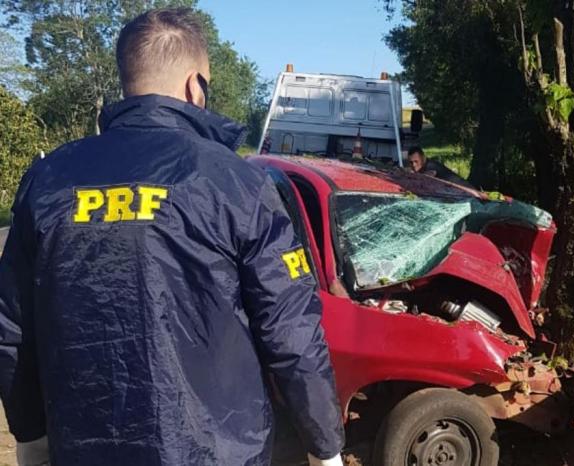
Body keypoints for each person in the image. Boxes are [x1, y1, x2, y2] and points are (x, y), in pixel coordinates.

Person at [0, 8, 344, 466]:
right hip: (217, 452)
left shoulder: (47, 181)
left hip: (86, 449)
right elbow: (292, 331)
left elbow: (12, 329)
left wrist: (31, 438)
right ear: (194, 86)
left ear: (128, 82)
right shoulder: (237, 184)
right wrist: (326, 447)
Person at [407, 146, 474, 188]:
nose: (413, 165)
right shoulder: (425, 165)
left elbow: (427, 177)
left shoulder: (430, 166)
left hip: (467, 191)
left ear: (423, 157)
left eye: (416, 161)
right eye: (411, 162)